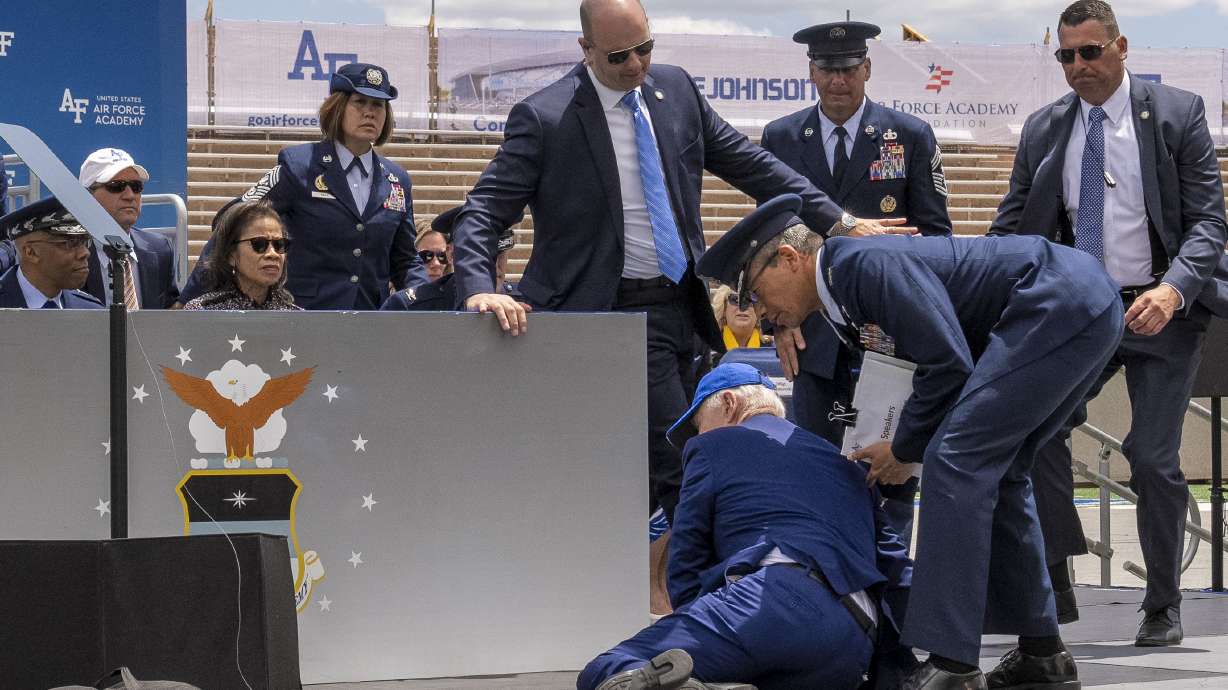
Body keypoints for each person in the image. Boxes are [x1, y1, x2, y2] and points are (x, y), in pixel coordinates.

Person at [450, 0, 909, 543]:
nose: (636, 64)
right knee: (684, 459)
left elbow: (753, 165)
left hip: (680, 308)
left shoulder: (677, 92)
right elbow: (484, 209)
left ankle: (664, 584)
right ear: (586, 49)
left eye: (645, 47)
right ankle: (714, 594)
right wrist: (479, 289)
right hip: (605, 313)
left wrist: (840, 222)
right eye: (619, 55)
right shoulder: (546, 117)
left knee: (666, 459)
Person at [698, 194, 1128, 689]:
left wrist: (904, 450)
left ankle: (953, 664)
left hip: (1056, 301)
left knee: (956, 462)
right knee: (1000, 472)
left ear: (790, 260)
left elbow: (946, 364)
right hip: (1075, 302)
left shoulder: (860, 264)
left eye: (754, 293)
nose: (761, 313)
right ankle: (1042, 653)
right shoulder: (843, 289)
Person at [988, 0, 1228, 643]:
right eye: (1066, 55)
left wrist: (1174, 290)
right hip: (1079, 311)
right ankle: (1056, 579)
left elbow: (1208, 223)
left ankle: (1162, 601)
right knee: (1034, 433)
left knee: (1152, 457)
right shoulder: (1044, 130)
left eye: (1089, 52)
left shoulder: (1178, 114)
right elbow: (1010, 229)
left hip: (1162, 310)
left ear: (1121, 48)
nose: (1077, 66)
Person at [578, 363, 913, 690]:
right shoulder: (845, 464)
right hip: (854, 638)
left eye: (699, 425)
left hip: (771, 602)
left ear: (728, 404)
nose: (698, 435)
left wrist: (698, 621)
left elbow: (686, 557)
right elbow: (897, 570)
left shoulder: (712, 446)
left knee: (609, 669)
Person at [760, 20, 953, 547]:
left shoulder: (908, 136)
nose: (837, 81)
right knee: (821, 473)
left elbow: (935, 238)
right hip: (814, 341)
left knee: (888, 479)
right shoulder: (780, 138)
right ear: (811, 73)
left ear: (866, 69)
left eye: (848, 69)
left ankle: (889, 596)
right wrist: (777, 324)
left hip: (889, 340)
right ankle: (834, 593)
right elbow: (768, 247)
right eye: (827, 70)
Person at [178, 62, 427, 310]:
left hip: (371, 322)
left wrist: (430, 300)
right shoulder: (299, 166)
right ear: (337, 107)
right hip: (303, 322)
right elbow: (232, 222)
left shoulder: (397, 180)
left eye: (378, 105)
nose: (370, 112)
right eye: (359, 102)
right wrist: (186, 300)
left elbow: (405, 260)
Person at [76, 148, 180, 309]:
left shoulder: (160, 249)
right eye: (116, 186)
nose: (130, 195)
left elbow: (168, 314)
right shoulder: (66, 253)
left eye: (136, 186)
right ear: (87, 195)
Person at [381, 207, 519, 311]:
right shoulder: (410, 307)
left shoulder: (524, 303)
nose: (494, 266)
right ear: (451, 254)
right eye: (481, 257)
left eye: (500, 255)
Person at [182, 201, 297, 311]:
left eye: (279, 244)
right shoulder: (201, 311)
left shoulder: (296, 318)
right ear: (231, 254)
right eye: (259, 244)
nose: (273, 254)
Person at [0, 197, 104, 309]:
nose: (85, 253)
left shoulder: (91, 311)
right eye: (71, 243)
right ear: (31, 252)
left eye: (85, 241)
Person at [710, 284, 764, 351]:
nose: (743, 307)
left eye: (749, 300)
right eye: (736, 300)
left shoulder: (775, 350)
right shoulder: (707, 348)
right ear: (723, 308)